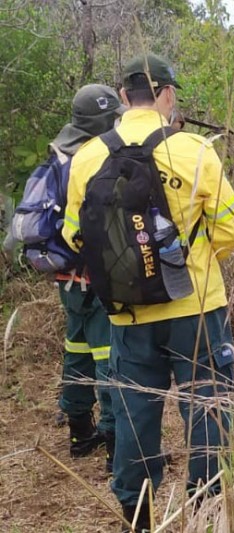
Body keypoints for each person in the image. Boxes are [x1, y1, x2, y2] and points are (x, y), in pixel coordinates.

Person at [62, 54, 234, 531]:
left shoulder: (87, 157)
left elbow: (73, 236)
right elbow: (233, 229)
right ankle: (207, 506)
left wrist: (127, 269)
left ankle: (137, 512)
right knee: (206, 403)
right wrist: (193, 260)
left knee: (133, 411)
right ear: (167, 94)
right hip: (197, 308)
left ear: (124, 97)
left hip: (127, 314)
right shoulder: (195, 149)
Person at [9, 85, 124, 470]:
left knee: (77, 351)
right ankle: (114, 441)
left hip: (65, 274)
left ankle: (79, 431)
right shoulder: (91, 159)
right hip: (94, 274)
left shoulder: (59, 156)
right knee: (111, 357)